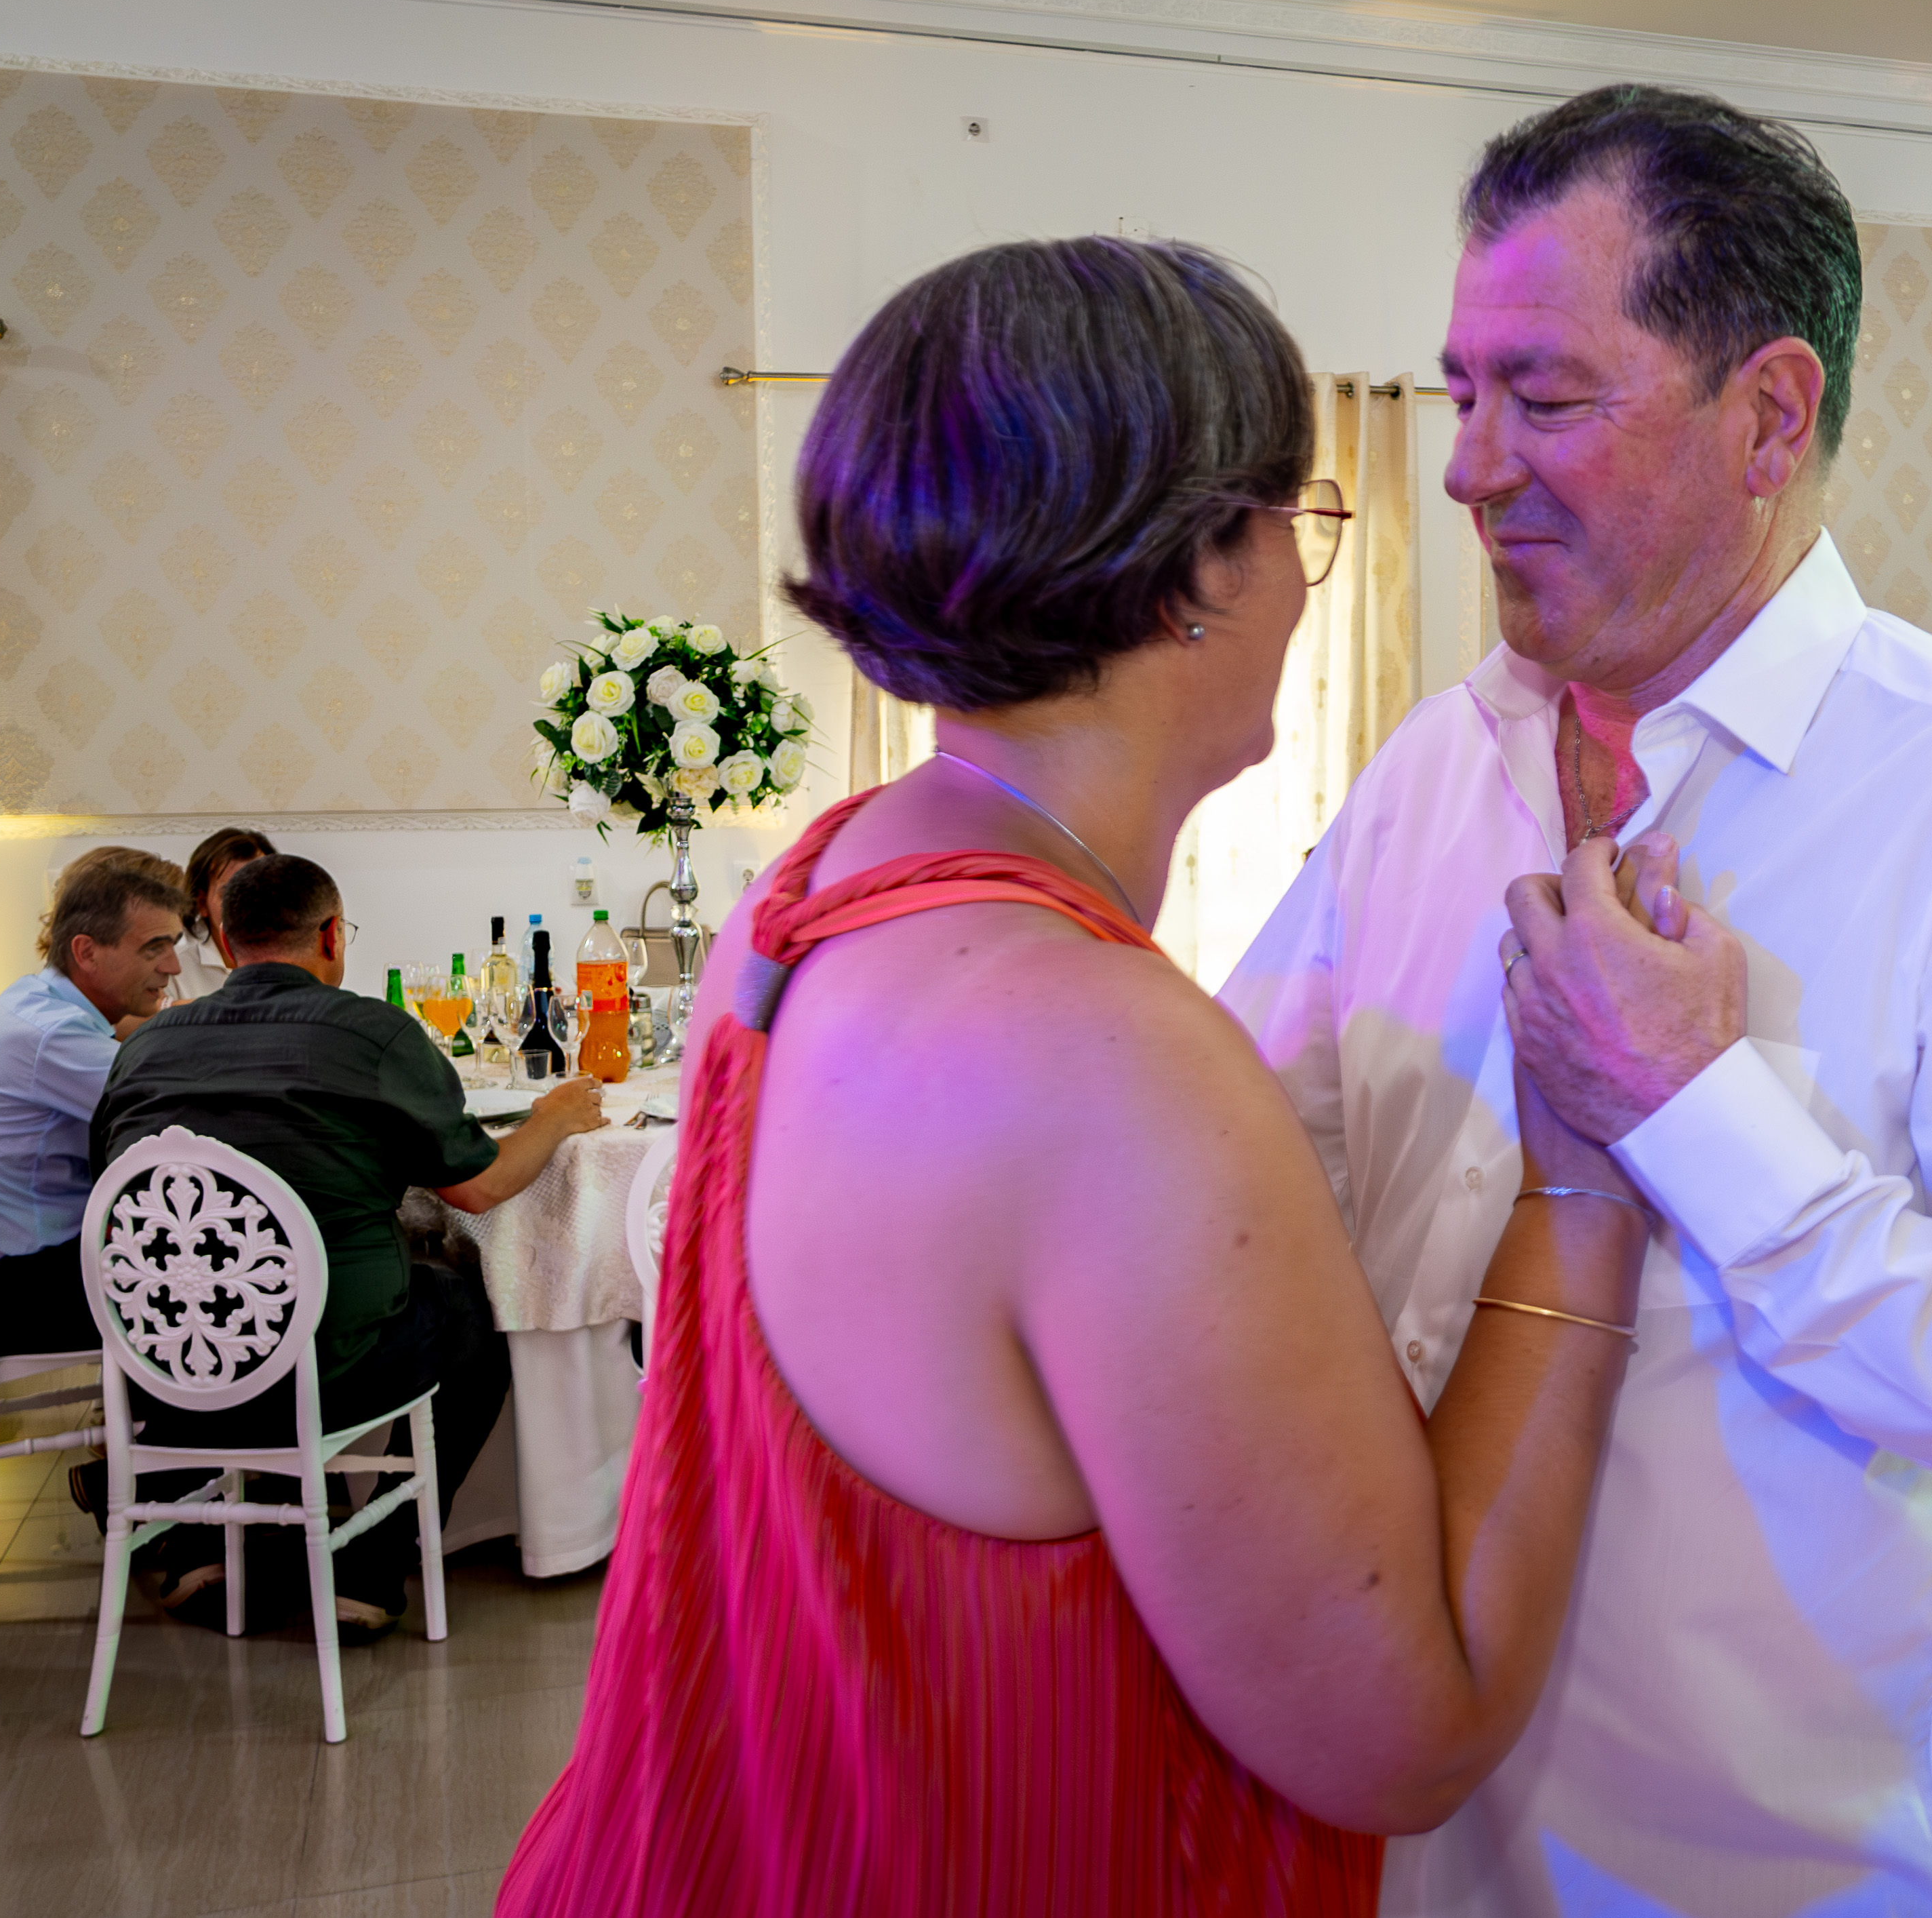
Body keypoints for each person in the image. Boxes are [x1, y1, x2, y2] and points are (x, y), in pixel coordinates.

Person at [500, 238, 1682, 1916]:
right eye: (1296, 520)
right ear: (1199, 565)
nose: (1301, 580)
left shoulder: (806, 892)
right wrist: (1584, 1169)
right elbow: (1404, 1728)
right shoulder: (1101, 1055)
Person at [1219, 84, 1932, 1913]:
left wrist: (1703, 1116)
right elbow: (1246, 1154)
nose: (1468, 468)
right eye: (1462, 394)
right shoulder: (1436, 765)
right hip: (1421, 1841)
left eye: (1545, 399)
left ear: (1767, 414)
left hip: (1796, 1864)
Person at [89, 853, 607, 1635]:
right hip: (318, 1369)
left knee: (225, 1288)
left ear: (225, 942)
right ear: (332, 934)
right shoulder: (372, 1033)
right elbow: (481, 1187)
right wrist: (556, 1116)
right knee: (467, 1306)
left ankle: (199, 1546)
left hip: (168, 1365)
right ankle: (368, 1567)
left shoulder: (143, 1046)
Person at [0, 846, 186, 1356]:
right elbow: (179, 1117)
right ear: (86, 952)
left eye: (174, 944)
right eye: (153, 948)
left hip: (7, 1257)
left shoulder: (35, 1001)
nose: (173, 965)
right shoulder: (54, 1036)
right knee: (234, 1265)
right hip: (26, 1282)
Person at [167, 826, 275, 1005]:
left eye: (263, 890)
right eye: (232, 894)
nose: (251, 904)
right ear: (202, 903)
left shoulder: (297, 958)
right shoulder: (174, 968)